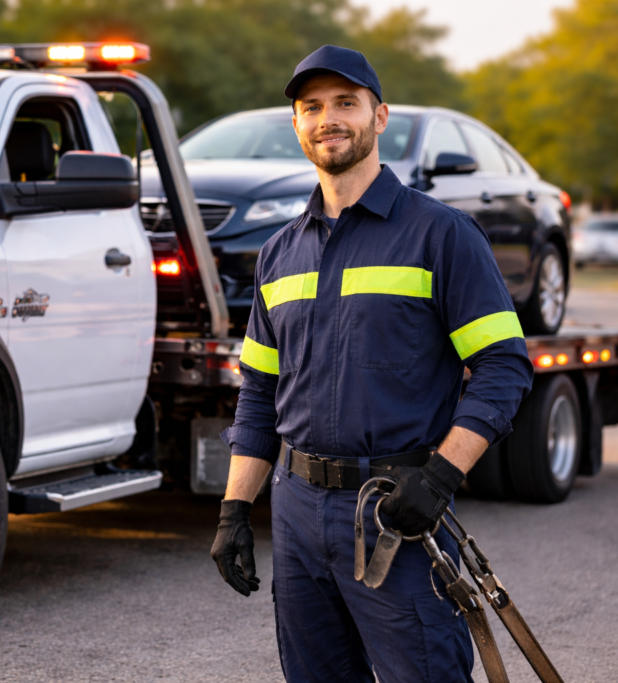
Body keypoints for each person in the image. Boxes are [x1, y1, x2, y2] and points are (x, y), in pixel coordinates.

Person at [209, 45, 533, 683]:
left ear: (379, 117)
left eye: (345, 104)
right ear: (297, 126)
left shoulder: (441, 235)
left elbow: (503, 367)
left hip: (394, 512)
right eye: (312, 107)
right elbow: (258, 394)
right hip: (298, 514)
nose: (329, 118)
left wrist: (439, 480)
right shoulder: (278, 254)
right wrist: (233, 511)